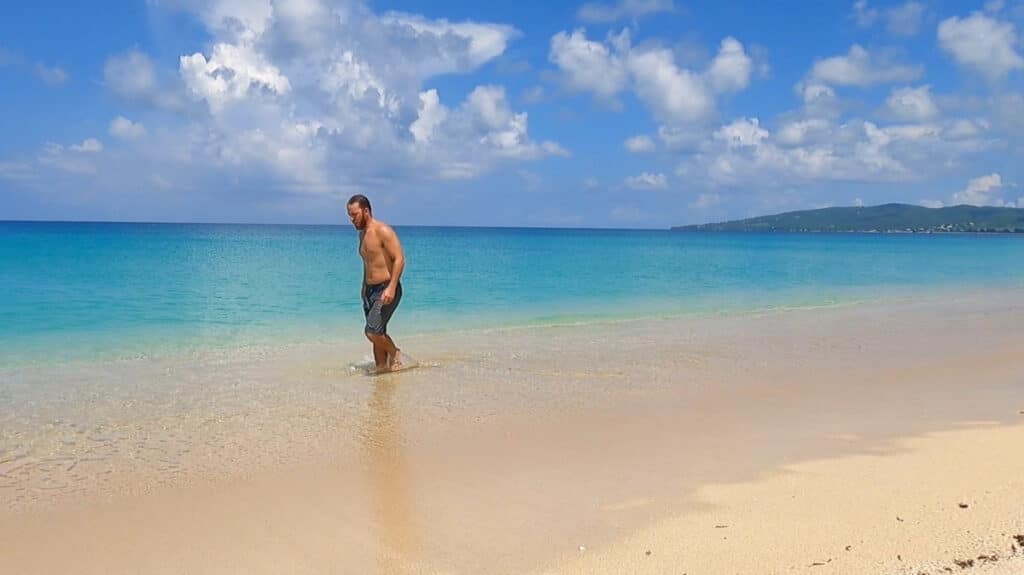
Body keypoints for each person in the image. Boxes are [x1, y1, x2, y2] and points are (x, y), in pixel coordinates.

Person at [347, 194, 405, 372]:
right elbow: (368, 264)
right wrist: (364, 290)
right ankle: (383, 372)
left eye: (354, 215)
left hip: (386, 288)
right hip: (370, 291)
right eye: (349, 216)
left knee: (372, 331)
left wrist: (391, 287)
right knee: (378, 334)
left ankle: (395, 352)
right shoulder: (362, 235)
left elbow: (399, 259)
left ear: (366, 211)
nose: (352, 220)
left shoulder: (383, 231)